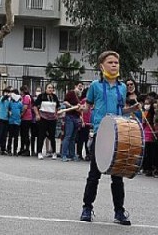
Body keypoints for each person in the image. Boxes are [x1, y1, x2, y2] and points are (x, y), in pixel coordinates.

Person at [80, 51, 137, 225]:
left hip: (118, 133)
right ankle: (87, 208)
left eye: (116, 62)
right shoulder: (95, 86)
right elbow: (88, 106)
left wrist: (133, 109)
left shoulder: (122, 88)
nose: (114, 65)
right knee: (94, 174)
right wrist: (84, 109)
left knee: (117, 176)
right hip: (101, 132)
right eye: (110, 62)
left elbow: (122, 110)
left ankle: (119, 212)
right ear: (102, 66)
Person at [34, 83, 60, 160]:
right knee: (41, 135)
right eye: (49, 88)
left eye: (51, 88)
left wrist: (56, 115)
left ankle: (54, 152)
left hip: (52, 119)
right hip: (43, 118)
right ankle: (39, 152)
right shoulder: (41, 96)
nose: (50, 89)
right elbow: (35, 106)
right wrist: (37, 115)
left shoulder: (54, 97)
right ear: (46, 89)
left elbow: (57, 107)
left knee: (52, 136)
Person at [62, 83, 83, 162]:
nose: (80, 88)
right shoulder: (71, 93)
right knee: (68, 136)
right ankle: (64, 154)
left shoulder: (79, 97)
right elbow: (65, 102)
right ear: (75, 86)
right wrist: (72, 107)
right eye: (79, 86)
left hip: (76, 117)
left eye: (82, 87)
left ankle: (72, 155)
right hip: (70, 117)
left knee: (73, 138)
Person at [7, 90, 23, 156]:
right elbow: (7, 108)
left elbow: (22, 111)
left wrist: (20, 115)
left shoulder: (20, 103)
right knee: (10, 136)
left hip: (17, 122)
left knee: (16, 137)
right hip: (11, 121)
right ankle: (9, 149)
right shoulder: (10, 102)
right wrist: (9, 112)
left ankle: (15, 150)